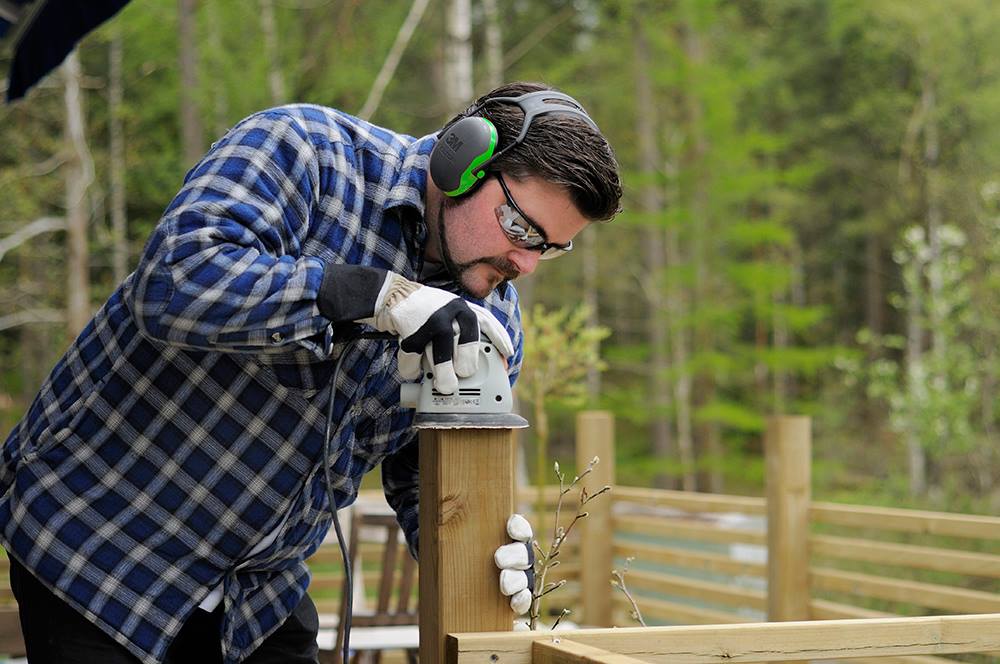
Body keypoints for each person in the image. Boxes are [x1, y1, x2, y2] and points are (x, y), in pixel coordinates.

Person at [0, 80, 622, 663]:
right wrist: (368, 295)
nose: (526, 263)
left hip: (258, 592)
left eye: (550, 248)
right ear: (462, 163)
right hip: (101, 543)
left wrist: (485, 557)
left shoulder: (493, 323)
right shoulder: (306, 154)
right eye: (520, 229)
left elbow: (425, 480)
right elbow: (174, 280)